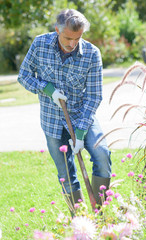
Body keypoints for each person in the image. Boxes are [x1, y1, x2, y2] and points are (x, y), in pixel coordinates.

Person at [18, 9, 111, 215]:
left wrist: (80, 132)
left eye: (77, 39)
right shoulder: (40, 44)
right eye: (68, 38)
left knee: (102, 155)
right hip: (52, 120)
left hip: (82, 115)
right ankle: (80, 221)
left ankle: (100, 216)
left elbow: (94, 96)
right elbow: (23, 76)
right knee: (66, 175)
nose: (72, 44)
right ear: (56, 29)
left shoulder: (92, 54)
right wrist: (46, 88)